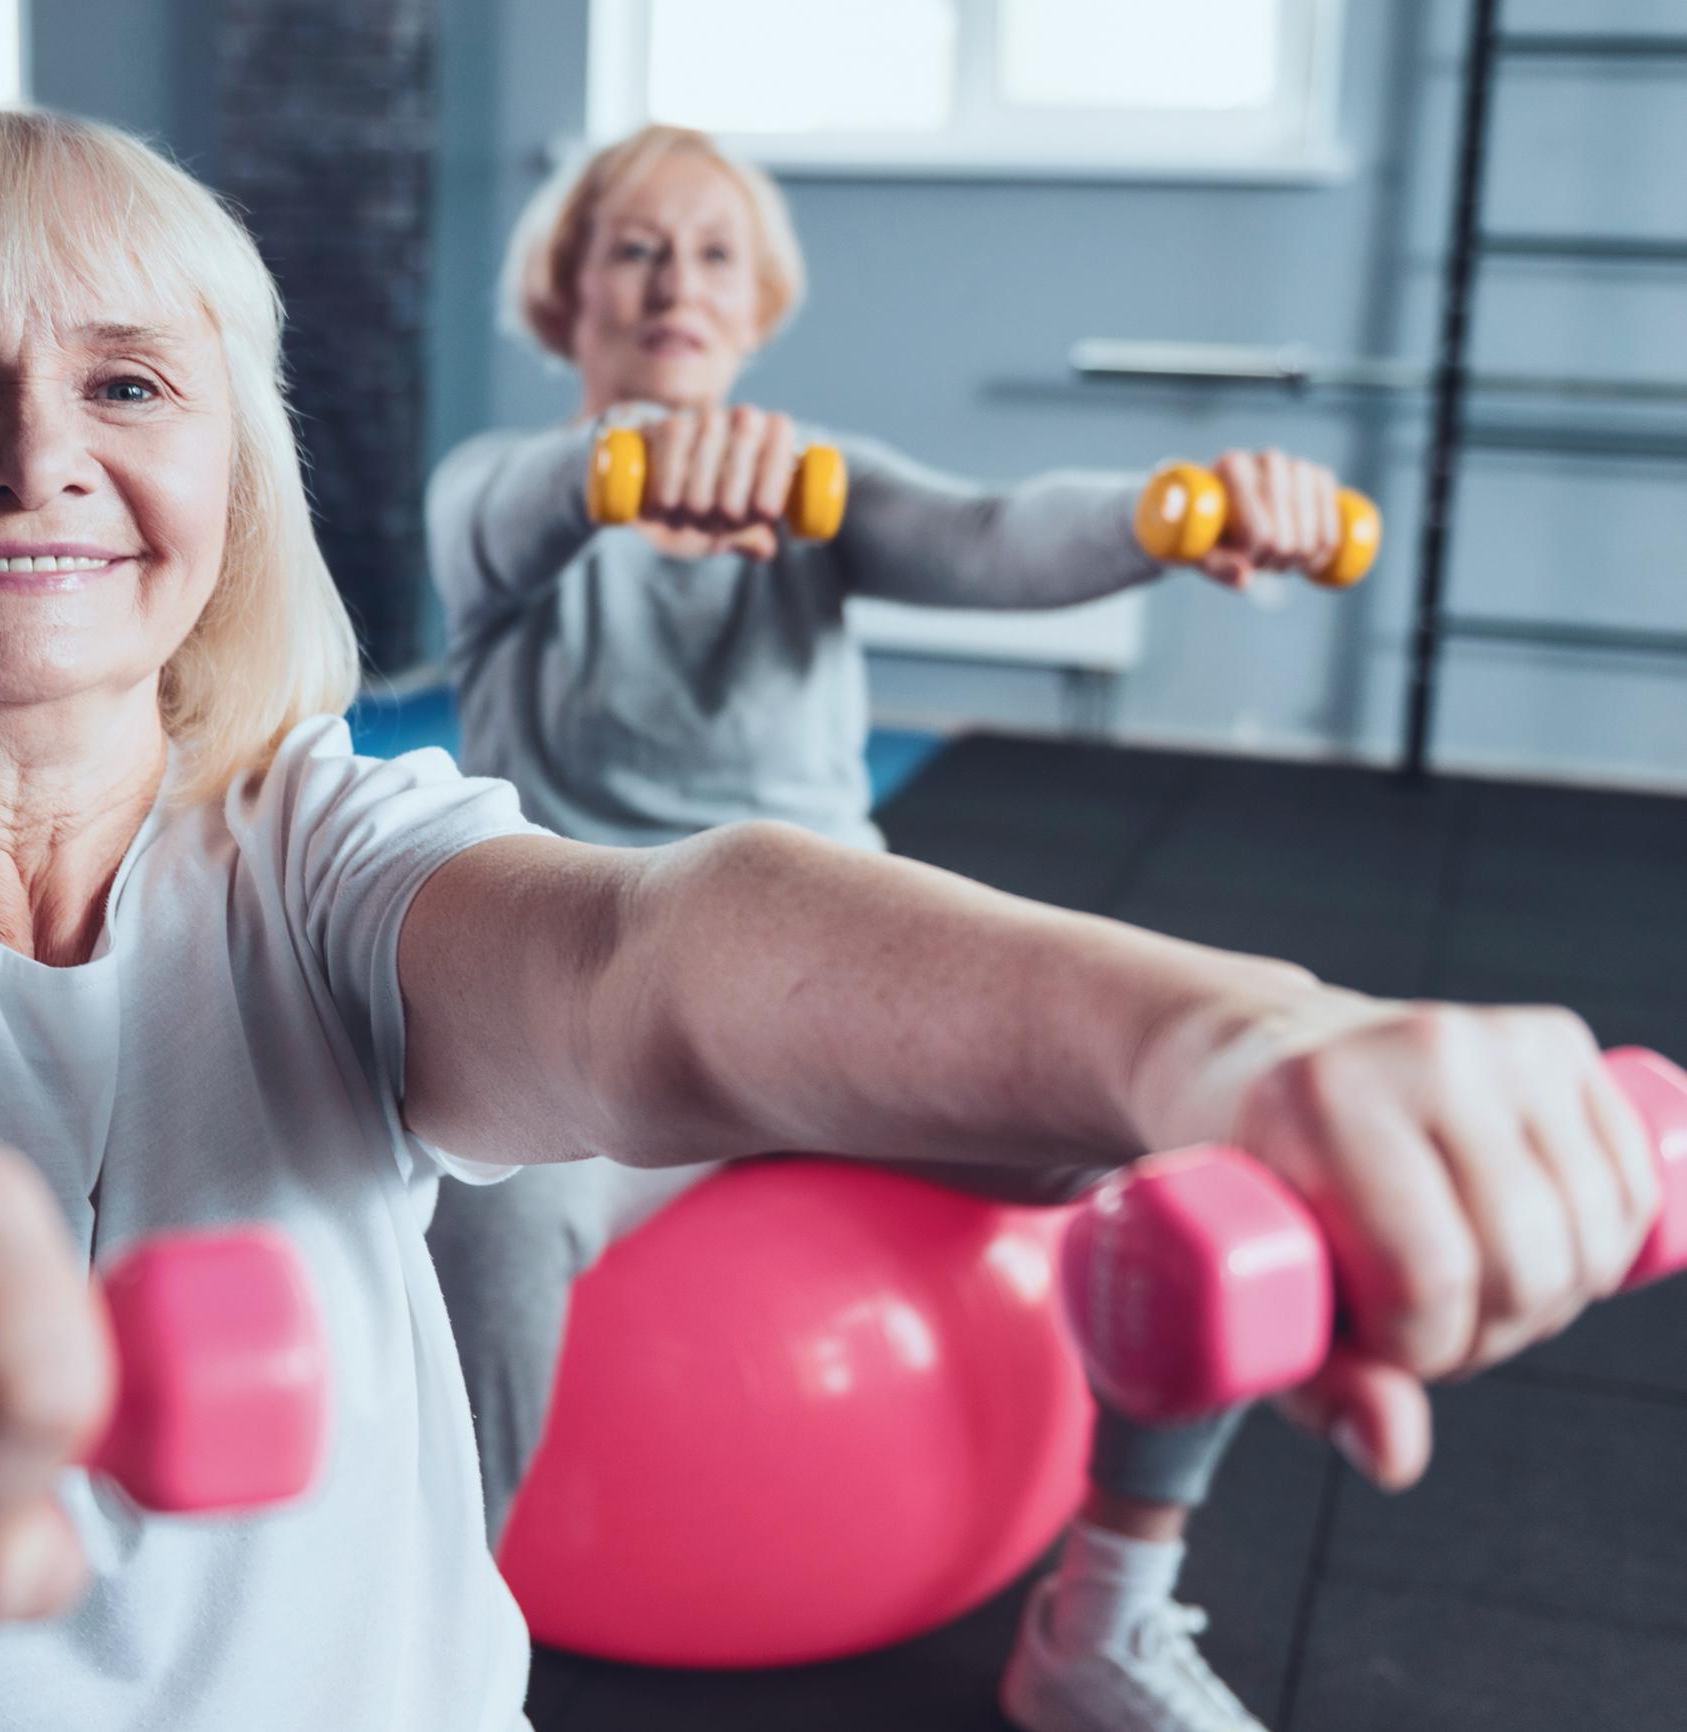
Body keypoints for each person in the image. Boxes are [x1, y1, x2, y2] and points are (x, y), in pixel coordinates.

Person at [0, 109, 1652, 1732]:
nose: (38, 453)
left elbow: (652, 947)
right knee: (512, 1234)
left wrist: (1248, 1043)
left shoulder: (313, 846)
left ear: (227, 487)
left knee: (1101, 1129)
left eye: (132, 383)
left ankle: (1123, 1579)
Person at [423, 125, 1392, 1732]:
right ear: (565, 292)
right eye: (636, 249)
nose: (677, 282)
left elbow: (1000, 534)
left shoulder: (830, 489)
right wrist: (630, 468)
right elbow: (517, 506)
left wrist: (1179, 507)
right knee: (497, 1211)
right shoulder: (496, 496)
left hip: (834, 999)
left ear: (759, 302)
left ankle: (1106, 1618)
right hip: (598, 1028)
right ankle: (425, 1656)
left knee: (1194, 1142)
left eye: (714, 252)